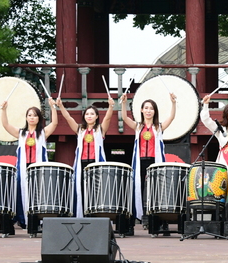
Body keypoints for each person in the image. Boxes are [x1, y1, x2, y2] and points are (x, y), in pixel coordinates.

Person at [1, 98, 58, 230]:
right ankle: (23, 219)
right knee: (22, 192)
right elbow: (6, 125)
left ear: (39, 118)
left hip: (39, 169)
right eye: (30, 115)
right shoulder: (21, 133)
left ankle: (39, 220)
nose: (32, 118)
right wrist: (4, 110)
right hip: (23, 168)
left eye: (35, 115)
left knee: (39, 193)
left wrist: (53, 107)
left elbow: (54, 123)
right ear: (26, 118)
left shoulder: (43, 133)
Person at [120, 93, 176, 224]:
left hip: (154, 162)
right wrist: (123, 103)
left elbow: (172, 117)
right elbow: (124, 117)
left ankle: (156, 217)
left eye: (151, 108)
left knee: (155, 189)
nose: (148, 110)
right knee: (138, 187)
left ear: (154, 111)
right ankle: (139, 216)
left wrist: (173, 103)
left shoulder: (159, 127)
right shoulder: (138, 127)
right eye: (146, 108)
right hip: (140, 161)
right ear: (141, 110)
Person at [57, 96, 116, 217]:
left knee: (95, 190)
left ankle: (95, 214)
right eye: (87, 114)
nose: (89, 116)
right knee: (82, 190)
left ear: (96, 116)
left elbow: (108, 118)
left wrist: (111, 106)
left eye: (92, 114)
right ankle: (83, 214)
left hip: (96, 164)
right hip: (82, 164)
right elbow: (68, 118)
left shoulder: (100, 129)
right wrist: (61, 106)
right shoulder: (80, 130)